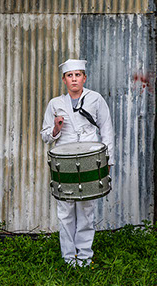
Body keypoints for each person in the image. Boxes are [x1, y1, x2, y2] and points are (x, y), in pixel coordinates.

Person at [40, 59, 114, 267]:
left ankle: (84, 257)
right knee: (65, 211)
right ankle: (68, 258)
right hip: (64, 163)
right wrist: (55, 128)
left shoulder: (95, 99)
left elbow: (106, 129)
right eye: (70, 75)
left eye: (78, 75)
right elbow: (46, 136)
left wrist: (108, 161)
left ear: (84, 78)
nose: (74, 79)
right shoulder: (55, 104)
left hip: (90, 160)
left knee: (86, 210)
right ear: (64, 79)